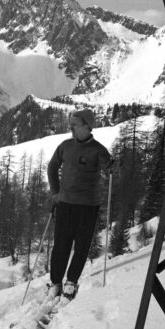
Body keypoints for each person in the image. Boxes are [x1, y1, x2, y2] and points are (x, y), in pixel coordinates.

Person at [47, 108, 112, 300]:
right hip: (65, 203)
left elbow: (111, 169)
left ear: (86, 126)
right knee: (61, 244)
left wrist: (115, 167)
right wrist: (55, 192)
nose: (71, 128)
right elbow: (52, 166)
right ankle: (55, 282)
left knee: (82, 245)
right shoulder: (65, 146)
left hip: (88, 205)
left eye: (74, 125)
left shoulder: (98, 150)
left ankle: (71, 282)